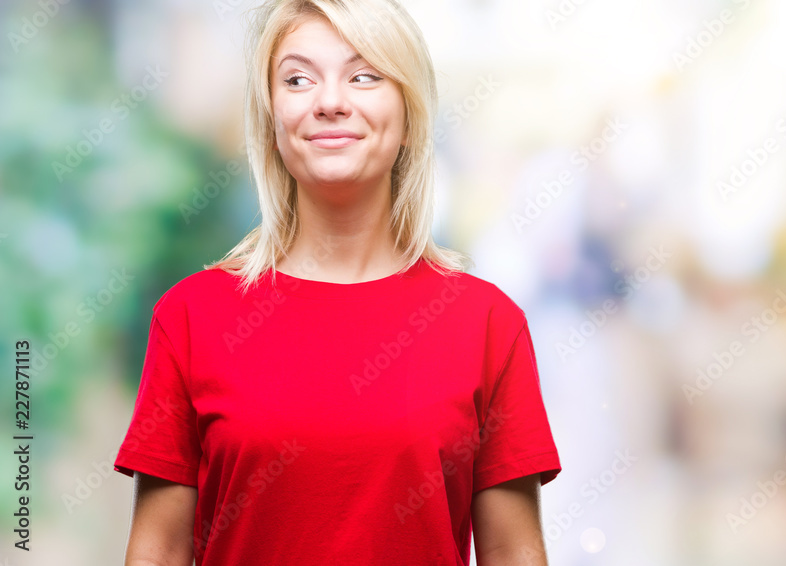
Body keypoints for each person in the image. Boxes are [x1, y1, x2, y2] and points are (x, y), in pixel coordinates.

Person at [113, 0, 562, 564]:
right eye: (298, 79)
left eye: (363, 76)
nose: (329, 102)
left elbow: (512, 551)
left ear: (408, 116)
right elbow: (159, 550)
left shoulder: (488, 325)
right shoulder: (190, 318)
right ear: (272, 119)